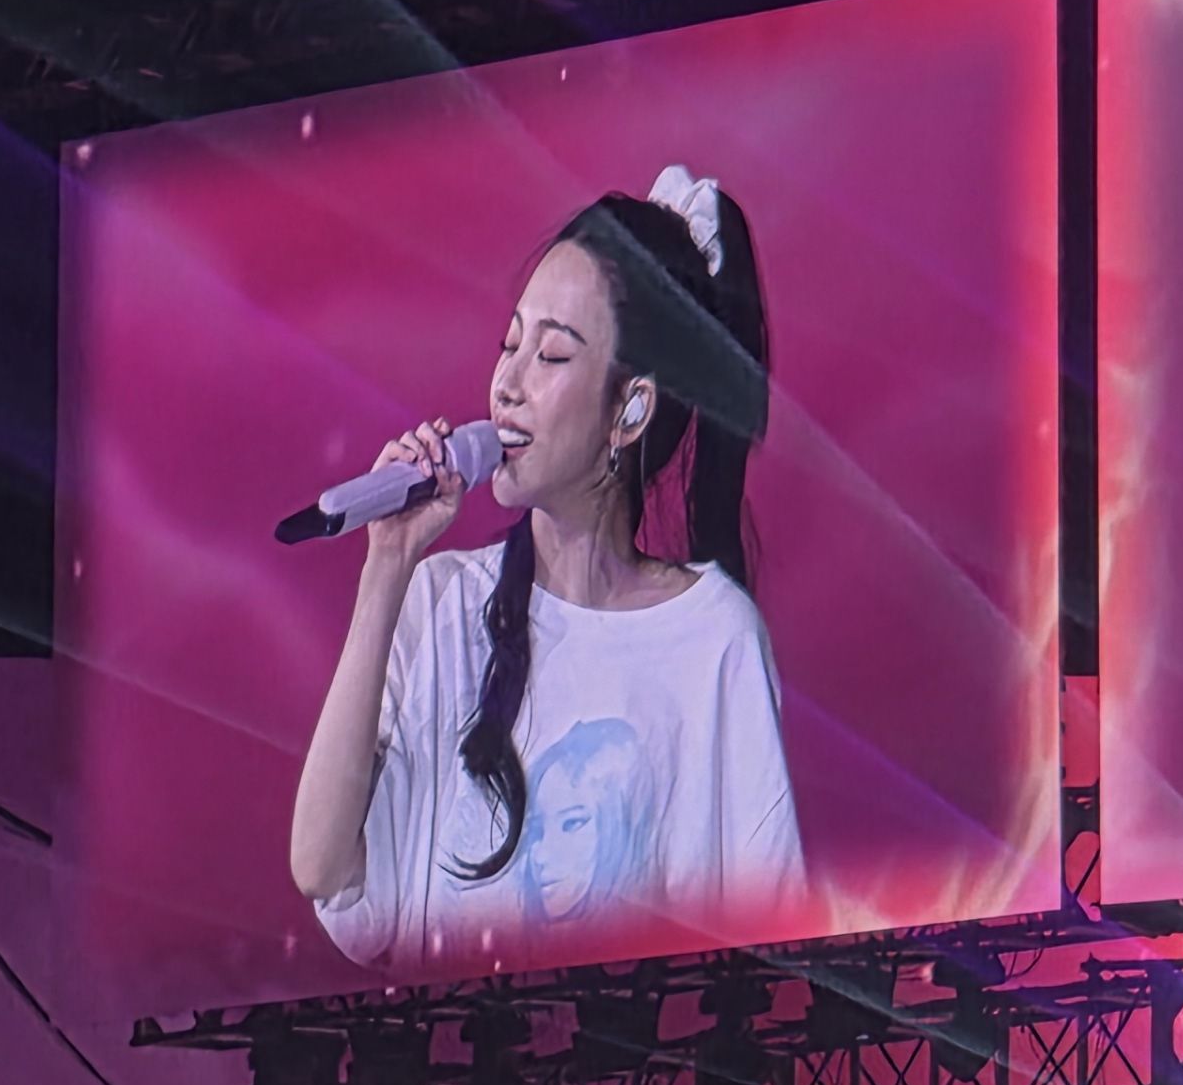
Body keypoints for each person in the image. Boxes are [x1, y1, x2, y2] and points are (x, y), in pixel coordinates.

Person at [290, 165, 801, 980]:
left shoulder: (712, 640)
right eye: (510, 345)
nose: (507, 385)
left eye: (552, 354)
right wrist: (386, 566)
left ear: (630, 408)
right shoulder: (441, 601)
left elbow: (757, 943)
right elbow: (322, 866)